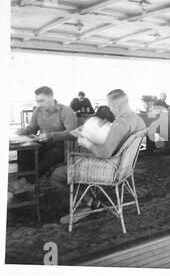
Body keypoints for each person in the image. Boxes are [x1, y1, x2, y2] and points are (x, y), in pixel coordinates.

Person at [51, 89, 146, 223]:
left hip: (110, 169)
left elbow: (105, 153)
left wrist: (86, 142)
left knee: (57, 175)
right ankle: (88, 199)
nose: (111, 110)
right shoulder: (139, 120)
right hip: (125, 168)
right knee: (76, 163)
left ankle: (86, 204)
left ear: (117, 107)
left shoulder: (120, 123)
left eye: (111, 107)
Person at [13, 86, 77, 191]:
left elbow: (72, 133)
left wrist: (52, 136)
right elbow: (32, 128)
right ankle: (24, 180)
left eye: (42, 101)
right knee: (24, 150)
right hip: (42, 143)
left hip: (62, 148)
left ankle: (26, 182)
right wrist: (24, 131)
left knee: (51, 153)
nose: (39, 104)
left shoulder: (65, 111)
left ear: (51, 98)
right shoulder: (37, 111)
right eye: (37, 101)